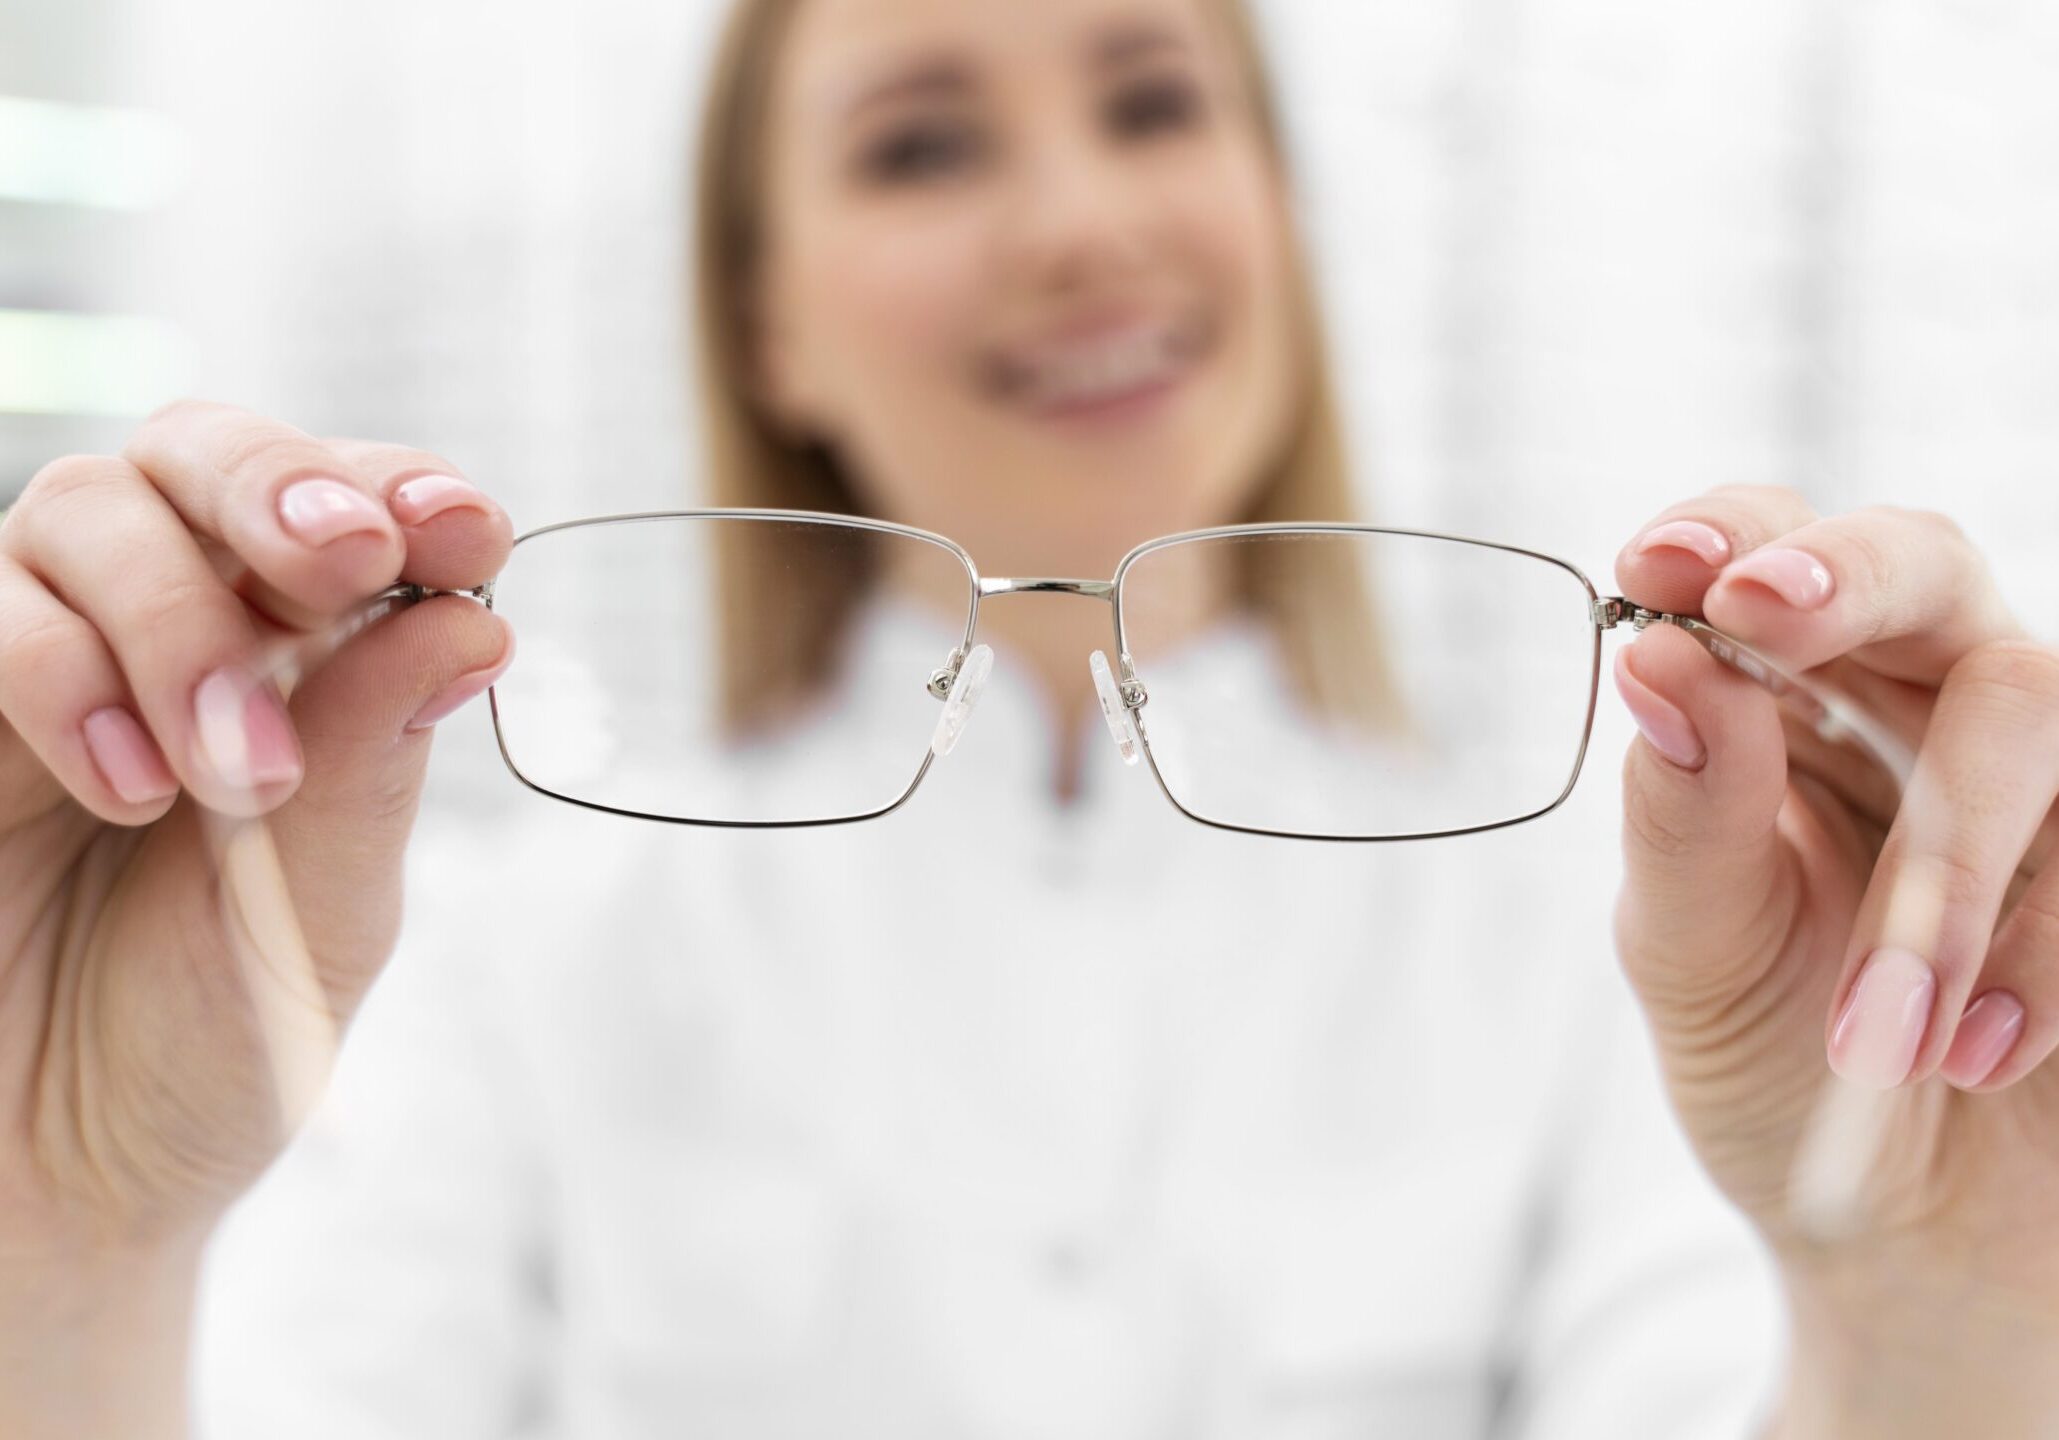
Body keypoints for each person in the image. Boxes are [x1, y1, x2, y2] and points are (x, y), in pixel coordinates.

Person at [1, 0, 2054, 1435]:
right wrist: (61, 1243)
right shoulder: (501, 964)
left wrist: (1939, 1314)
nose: (1077, 221)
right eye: (922, 140)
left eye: (1154, 102)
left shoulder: (1648, 942)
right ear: (766, 313)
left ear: (1280, 210)